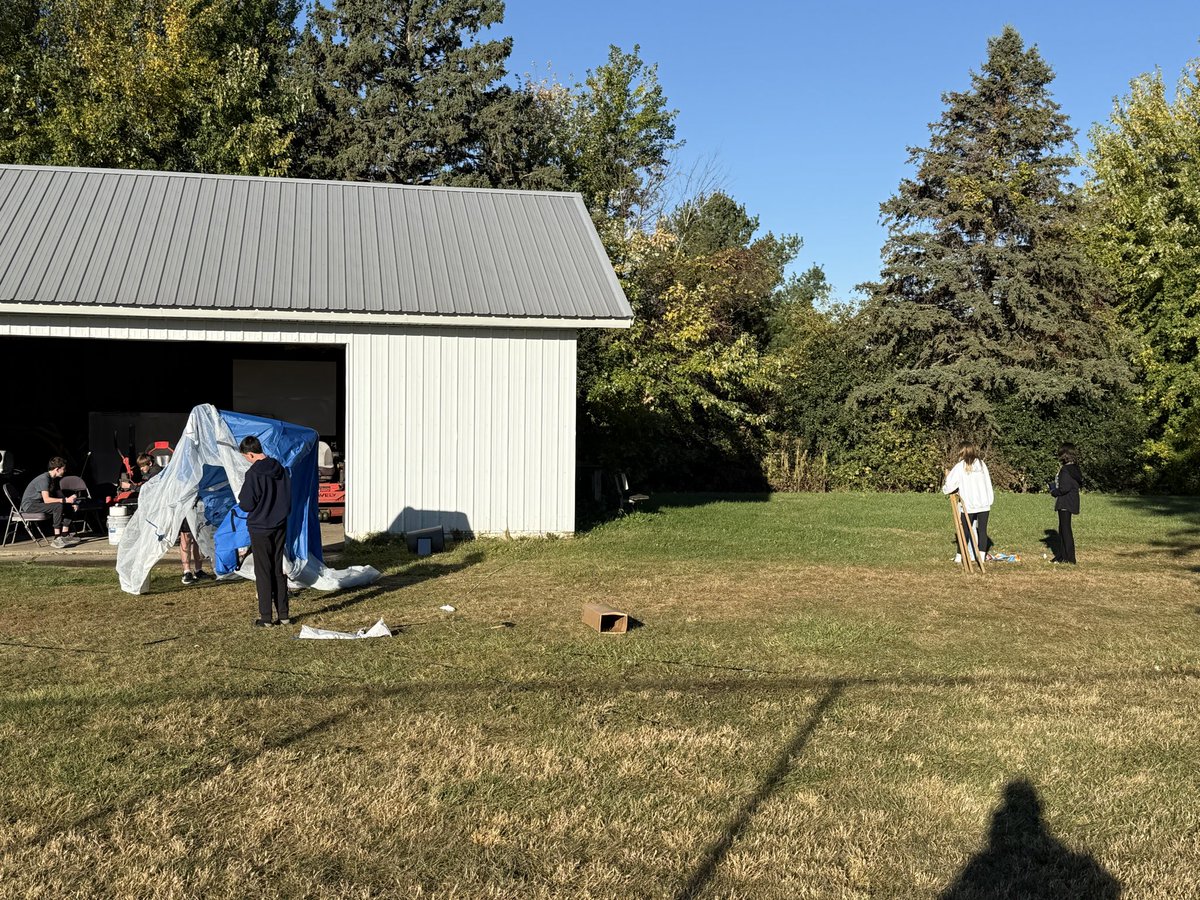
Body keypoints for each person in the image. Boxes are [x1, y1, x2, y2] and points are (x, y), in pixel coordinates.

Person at [237, 435, 292, 627]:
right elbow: (288, 497)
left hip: (260, 526)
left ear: (250, 454)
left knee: (263, 571)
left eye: (245, 457)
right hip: (280, 525)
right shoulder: (281, 469)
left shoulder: (253, 474)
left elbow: (246, 503)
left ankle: (266, 617)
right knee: (277, 568)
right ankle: (284, 615)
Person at [138, 453, 210, 585]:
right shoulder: (176, 472)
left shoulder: (197, 469)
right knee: (186, 538)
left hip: (196, 506)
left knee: (198, 539)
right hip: (184, 508)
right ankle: (187, 571)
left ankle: (198, 569)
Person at [942, 442, 995, 562]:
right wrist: (989, 499)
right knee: (982, 530)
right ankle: (980, 557)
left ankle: (959, 557)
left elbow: (950, 484)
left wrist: (946, 489)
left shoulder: (961, 466)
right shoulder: (982, 464)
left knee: (964, 530)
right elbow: (988, 483)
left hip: (969, 504)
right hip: (984, 503)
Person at [20, 457, 80, 549]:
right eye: (63, 469)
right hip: (30, 505)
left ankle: (65, 535)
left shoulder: (54, 479)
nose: (65, 471)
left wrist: (71, 502)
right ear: (57, 469)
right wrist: (65, 500)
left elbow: (61, 496)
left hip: (40, 504)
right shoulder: (44, 479)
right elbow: (47, 500)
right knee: (58, 506)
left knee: (67, 505)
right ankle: (57, 538)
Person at [1049, 443, 1083, 564]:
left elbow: (1064, 488)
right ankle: (1062, 555)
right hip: (1071, 501)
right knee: (1063, 528)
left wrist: (1053, 491)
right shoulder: (1074, 468)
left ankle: (1069, 557)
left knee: (1065, 529)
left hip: (1065, 502)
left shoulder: (1065, 470)